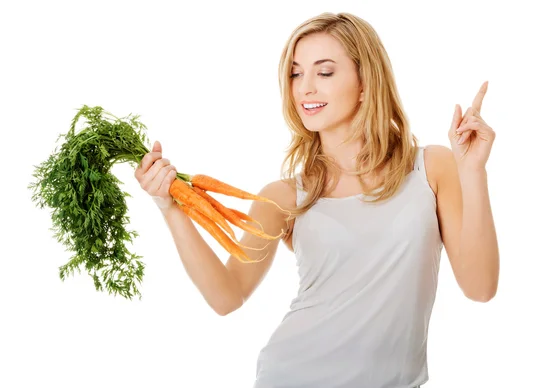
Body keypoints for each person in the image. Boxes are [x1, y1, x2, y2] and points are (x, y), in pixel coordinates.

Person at [134, 11, 499, 388]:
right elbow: (227, 296)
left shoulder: (431, 167)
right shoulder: (285, 197)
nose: (305, 87)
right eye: (296, 73)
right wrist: (171, 207)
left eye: (324, 73)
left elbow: (480, 287)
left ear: (365, 82)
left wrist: (473, 170)